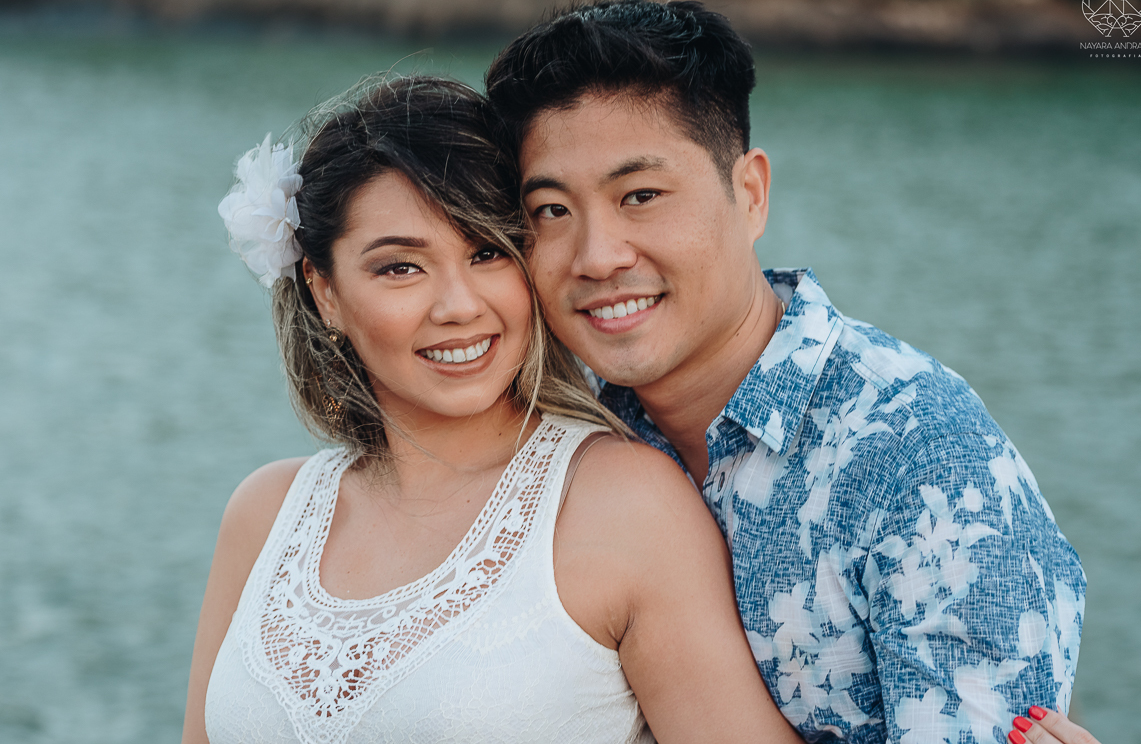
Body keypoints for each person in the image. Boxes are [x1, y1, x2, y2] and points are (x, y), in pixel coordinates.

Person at [484, 0, 1090, 743]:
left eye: (640, 195)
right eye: (550, 210)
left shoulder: (918, 457)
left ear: (749, 194)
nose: (597, 255)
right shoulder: (573, 443)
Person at [181, 76, 805, 743]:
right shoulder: (266, 512)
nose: (458, 305)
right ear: (325, 291)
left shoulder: (626, 505)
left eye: (487, 253)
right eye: (400, 268)